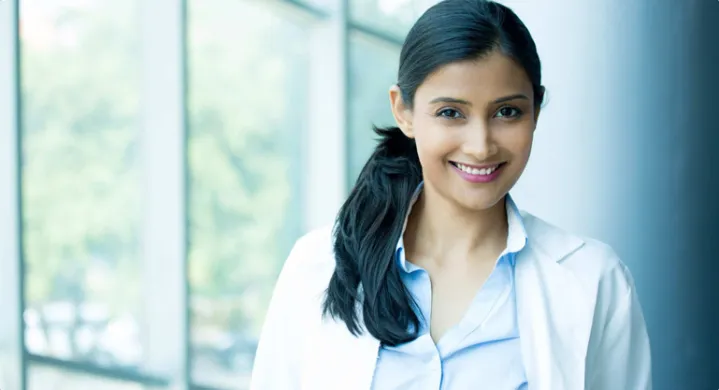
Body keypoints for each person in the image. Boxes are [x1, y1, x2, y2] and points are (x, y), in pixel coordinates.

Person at [250, 0, 651, 389]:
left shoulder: (593, 280)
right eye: (450, 113)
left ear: (536, 111)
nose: (480, 145)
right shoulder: (316, 266)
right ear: (403, 111)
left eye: (507, 112)